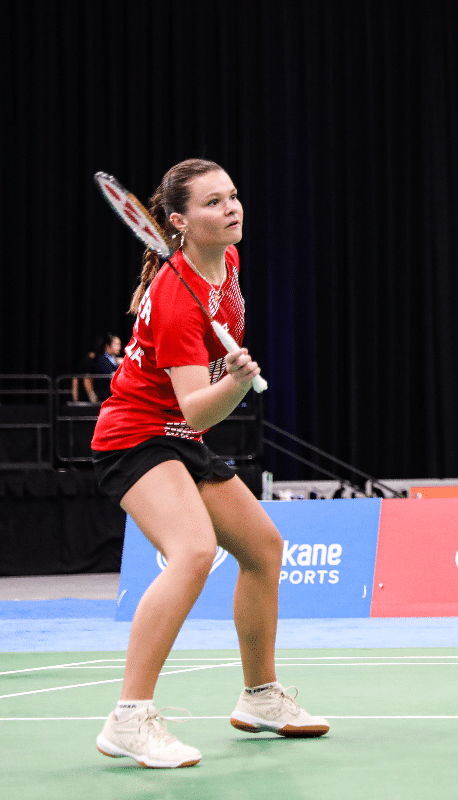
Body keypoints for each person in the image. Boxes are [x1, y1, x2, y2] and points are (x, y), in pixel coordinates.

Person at [90, 159, 327, 769]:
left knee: (262, 549)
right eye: (214, 203)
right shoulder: (174, 297)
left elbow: (194, 414)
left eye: (233, 196)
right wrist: (239, 383)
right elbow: (198, 412)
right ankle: (129, 717)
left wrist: (229, 375)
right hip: (135, 436)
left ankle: (260, 698)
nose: (231, 208)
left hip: (176, 438)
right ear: (178, 222)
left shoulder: (227, 264)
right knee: (193, 551)